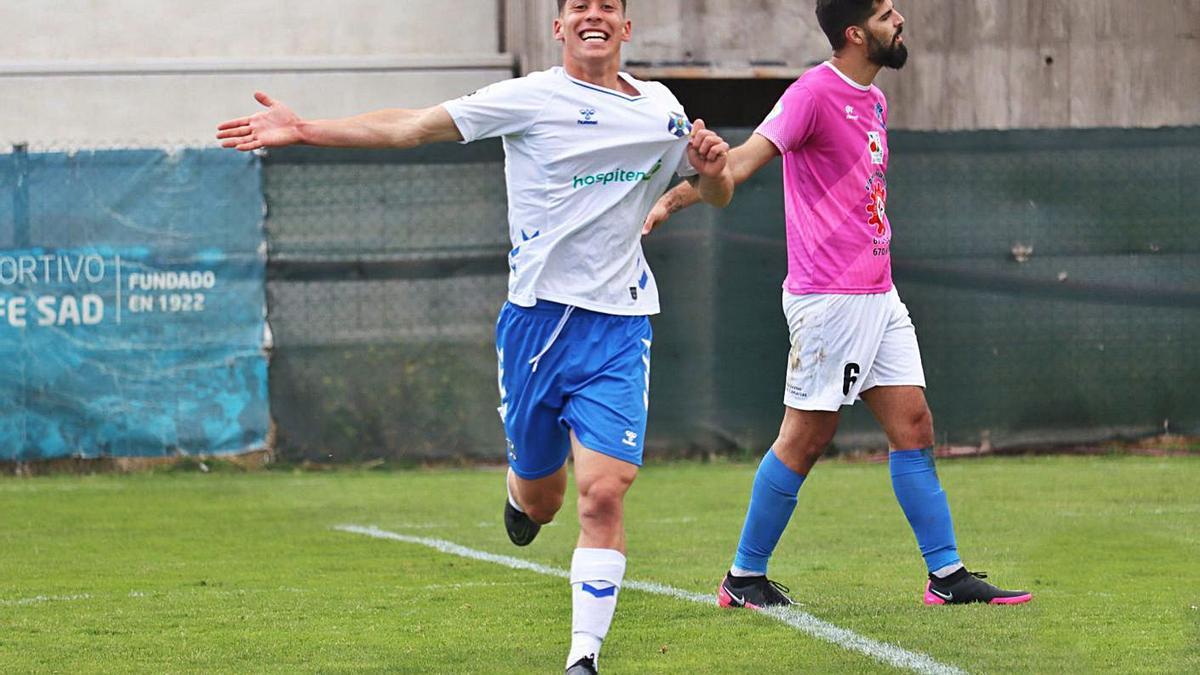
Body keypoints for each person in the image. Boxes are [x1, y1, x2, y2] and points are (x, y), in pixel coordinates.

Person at [218, 1, 733, 671]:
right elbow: (411, 126)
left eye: (608, 5)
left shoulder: (661, 110)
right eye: (579, 6)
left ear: (626, 27)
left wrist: (714, 171)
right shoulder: (530, 97)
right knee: (544, 499)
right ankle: (520, 494)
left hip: (619, 324)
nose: (593, 15)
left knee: (604, 491)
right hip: (535, 327)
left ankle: (584, 656)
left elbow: (712, 191)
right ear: (560, 26)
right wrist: (306, 128)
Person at [643, 0, 1031, 608]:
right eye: (884, 13)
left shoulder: (875, 98)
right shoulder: (812, 94)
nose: (898, 18)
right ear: (855, 33)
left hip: (879, 291)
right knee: (806, 436)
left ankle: (947, 576)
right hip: (831, 298)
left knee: (913, 425)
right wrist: (685, 192)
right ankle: (743, 578)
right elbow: (744, 160)